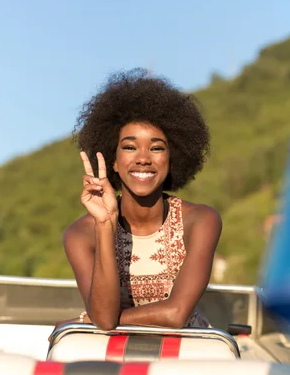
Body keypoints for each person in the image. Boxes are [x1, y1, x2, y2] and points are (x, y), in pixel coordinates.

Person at [57, 68, 221, 333]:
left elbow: (176, 314)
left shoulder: (201, 220)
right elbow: (105, 320)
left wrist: (88, 320)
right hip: (113, 359)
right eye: (130, 147)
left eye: (156, 148)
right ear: (114, 160)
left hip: (190, 356)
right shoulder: (80, 234)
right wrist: (105, 223)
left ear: (171, 159)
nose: (143, 158)